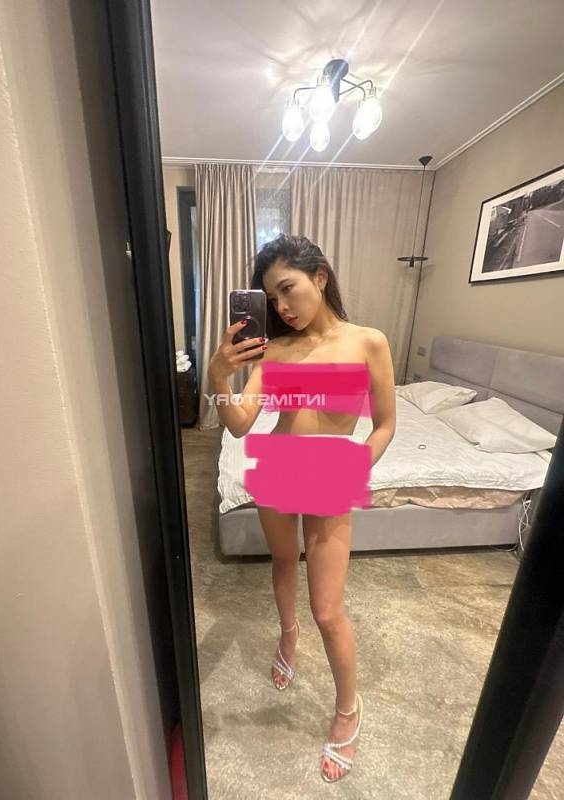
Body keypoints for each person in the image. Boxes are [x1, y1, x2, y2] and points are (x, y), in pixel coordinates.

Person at [207, 234, 396, 782]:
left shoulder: (368, 341)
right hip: (278, 463)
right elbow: (239, 424)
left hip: (332, 470)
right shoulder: (275, 349)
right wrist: (219, 376)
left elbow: (385, 424)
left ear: (319, 275)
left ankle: (348, 709)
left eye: (288, 289)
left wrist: (353, 468)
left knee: (329, 611)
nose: (282, 306)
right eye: (272, 298)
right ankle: (286, 634)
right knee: (284, 562)